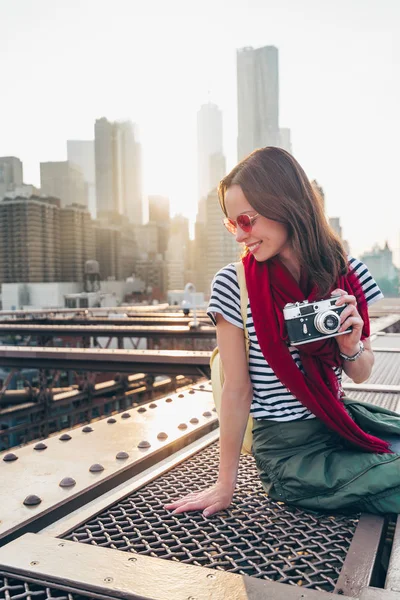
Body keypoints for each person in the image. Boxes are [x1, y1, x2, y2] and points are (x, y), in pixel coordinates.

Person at [165, 147, 400, 518]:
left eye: (246, 220)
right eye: (231, 225)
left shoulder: (349, 273)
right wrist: (225, 484)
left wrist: (349, 347)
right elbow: (237, 389)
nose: (240, 236)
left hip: (339, 422)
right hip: (288, 453)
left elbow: (360, 371)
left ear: (285, 205)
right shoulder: (233, 283)